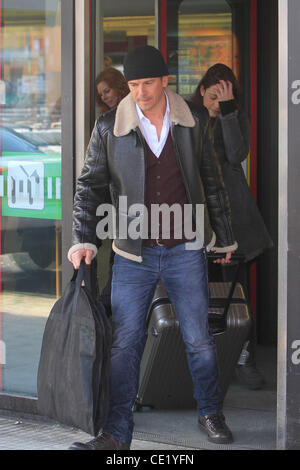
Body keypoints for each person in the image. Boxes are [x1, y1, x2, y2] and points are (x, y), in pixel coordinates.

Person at [67, 46, 238, 450]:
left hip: (186, 248)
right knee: (125, 344)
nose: (140, 92)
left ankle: (210, 411)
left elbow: (212, 182)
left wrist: (225, 236)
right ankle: (115, 434)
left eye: (147, 83)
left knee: (199, 338)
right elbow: (88, 187)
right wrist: (83, 239)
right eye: (133, 84)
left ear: (164, 81)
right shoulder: (109, 126)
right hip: (132, 251)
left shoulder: (194, 122)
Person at [191, 63, 273, 390]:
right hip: (199, 218)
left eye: (223, 99)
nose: (215, 104)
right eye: (212, 97)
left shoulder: (233, 118)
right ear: (201, 92)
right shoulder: (189, 118)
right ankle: (208, 358)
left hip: (233, 217)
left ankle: (244, 357)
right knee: (199, 291)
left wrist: (227, 113)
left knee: (236, 292)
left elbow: (238, 153)